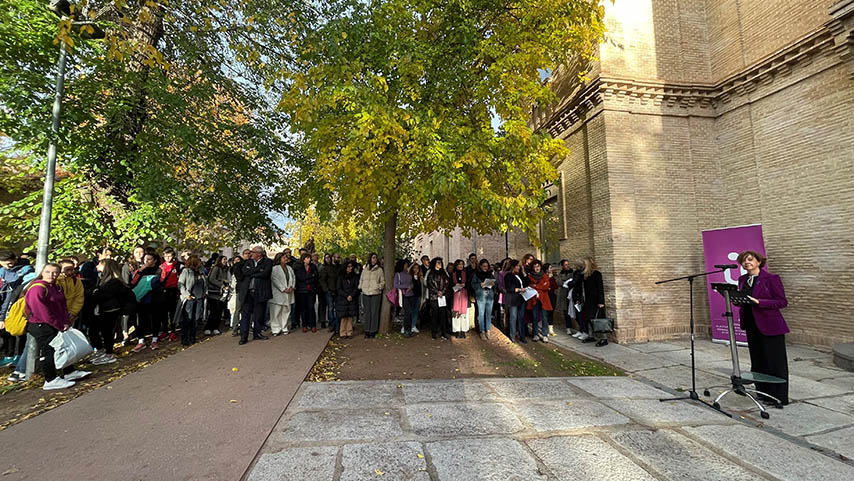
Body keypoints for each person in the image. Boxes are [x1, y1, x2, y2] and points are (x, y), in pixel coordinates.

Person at [737, 250, 790, 407]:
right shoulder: (743, 279)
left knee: (775, 362)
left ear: (759, 261)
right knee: (758, 361)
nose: (747, 263)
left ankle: (778, 396)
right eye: (744, 261)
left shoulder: (771, 279)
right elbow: (743, 300)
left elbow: (782, 302)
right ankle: (762, 392)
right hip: (751, 324)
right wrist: (736, 299)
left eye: (750, 260)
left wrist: (760, 302)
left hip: (771, 325)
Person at [26, 264, 90, 390]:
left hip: (56, 323)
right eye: (48, 272)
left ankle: (69, 372)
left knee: (63, 347)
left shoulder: (55, 286)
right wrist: (60, 325)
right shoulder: (37, 288)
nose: (51, 275)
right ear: (42, 272)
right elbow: (42, 312)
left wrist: (66, 321)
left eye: (55, 272)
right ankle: (50, 379)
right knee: (49, 350)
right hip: (41, 324)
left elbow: (62, 305)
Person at [90, 259, 134, 364]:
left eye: (99, 264)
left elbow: (101, 295)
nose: (97, 267)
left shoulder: (114, 281)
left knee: (107, 332)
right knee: (96, 330)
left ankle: (109, 353)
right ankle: (102, 351)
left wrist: (95, 293)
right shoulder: (102, 279)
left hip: (110, 309)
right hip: (102, 309)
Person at [1, 251, 32, 368]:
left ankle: (19, 356)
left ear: (15, 259)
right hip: (5, 304)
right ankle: (9, 355)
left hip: (19, 303)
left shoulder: (25, 270)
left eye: (9, 264)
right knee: (7, 332)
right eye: (4, 264)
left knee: (20, 330)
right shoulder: (2, 272)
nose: (7, 267)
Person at [238, 246, 273, 344]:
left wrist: (252, 273)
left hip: (260, 292)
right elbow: (244, 272)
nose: (250, 254)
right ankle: (243, 336)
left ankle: (257, 333)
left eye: (252, 252)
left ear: (259, 254)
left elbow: (266, 274)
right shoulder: (248, 262)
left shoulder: (267, 262)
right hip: (248, 292)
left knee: (259, 314)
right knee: (245, 315)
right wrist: (258, 270)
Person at [130, 253, 162, 352]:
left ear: (155, 260)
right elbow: (133, 283)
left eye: (149, 259)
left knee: (155, 319)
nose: (146, 261)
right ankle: (140, 341)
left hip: (154, 298)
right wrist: (140, 271)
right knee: (141, 320)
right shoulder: (141, 270)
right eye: (145, 259)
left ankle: (154, 339)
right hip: (141, 299)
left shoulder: (159, 270)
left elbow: (159, 283)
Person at [177, 255, 206, 346]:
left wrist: (205, 293)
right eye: (198, 261)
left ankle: (192, 337)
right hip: (190, 298)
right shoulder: (186, 271)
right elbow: (180, 284)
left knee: (196, 318)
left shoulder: (200, 272)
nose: (200, 263)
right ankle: (185, 338)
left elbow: (204, 283)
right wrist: (186, 295)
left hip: (199, 297)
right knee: (188, 319)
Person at [580, 256, 606, 346]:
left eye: (584, 264)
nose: (582, 265)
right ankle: (592, 336)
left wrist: (601, 301)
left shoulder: (597, 274)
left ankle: (604, 338)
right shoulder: (585, 275)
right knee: (589, 319)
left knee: (599, 319)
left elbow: (600, 288)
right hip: (588, 301)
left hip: (596, 301)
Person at [158, 247, 182, 342]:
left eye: (169, 256)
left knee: (172, 312)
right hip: (164, 291)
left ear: (173, 256)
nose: (167, 258)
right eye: (165, 256)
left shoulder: (178, 266)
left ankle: (172, 330)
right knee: (163, 313)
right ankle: (164, 330)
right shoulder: (161, 267)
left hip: (174, 291)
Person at [359, 252, 384, 338]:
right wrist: (361, 287)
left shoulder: (379, 270)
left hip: (375, 293)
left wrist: (378, 287)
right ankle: (367, 330)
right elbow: (361, 279)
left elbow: (382, 281)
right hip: (366, 293)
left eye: (376, 258)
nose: (375, 259)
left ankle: (373, 331)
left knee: (374, 313)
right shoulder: (365, 269)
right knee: (367, 313)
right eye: (373, 257)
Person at [525, 260, 551, 342]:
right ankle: (535, 334)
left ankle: (545, 334)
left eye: (538, 266)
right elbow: (530, 286)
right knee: (535, 317)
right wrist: (540, 286)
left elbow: (547, 286)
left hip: (544, 300)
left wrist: (536, 286)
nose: (537, 268)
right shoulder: (530, 277)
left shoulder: (544, 276)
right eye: (535, 267)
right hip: (534, 300)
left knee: (544, 317)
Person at [205, 255, 231, 335]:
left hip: (221, 294)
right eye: (224, 259)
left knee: (219, 312)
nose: (225, 261)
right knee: (214, 311)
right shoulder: (216, 268)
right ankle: (208, 327)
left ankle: (216, 327)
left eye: (226, 259)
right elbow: (212, 279)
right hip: (214, 293)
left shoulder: (226, 269)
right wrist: (222, 285)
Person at [270, 254, 295, 336]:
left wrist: (292, 287)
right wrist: (283, 288)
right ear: (279, 259)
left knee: (286, 311)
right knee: (276, 312)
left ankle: (284, 327)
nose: (286, 259)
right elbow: (274, 279)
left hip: (289, 292)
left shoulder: (289, 268)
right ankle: (275, 329)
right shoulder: (275, 268)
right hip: (279, 292)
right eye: (284, 258)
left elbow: (293, 278)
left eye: (286, 258)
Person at [294, 252, 319, 333]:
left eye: (309, 258)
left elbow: (315, 277)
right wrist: (310, 277)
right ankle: (304, 325)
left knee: (311, 307)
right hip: (302, 290)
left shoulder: (313, 266)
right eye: (307, 258)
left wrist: (308, 278)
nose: (309, 259)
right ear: (303, 259)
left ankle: (313, 325)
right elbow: (300, 278)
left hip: (311, 290)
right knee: (303, 308)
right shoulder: (299, 267)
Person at [426, 257, 450, 340]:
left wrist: (442, 292)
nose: (440, 264)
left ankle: (443, 333)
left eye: (441, 262)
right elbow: (430, 284)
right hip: (434, 297)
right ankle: (434, 332)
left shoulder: (444, 272)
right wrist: (437, 292)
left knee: (443, 315)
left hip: (442, 297)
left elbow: (447, 282)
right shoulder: (431, 273)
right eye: (438, 262)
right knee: (434, 315)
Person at [472, 259, 495, 340]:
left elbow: (494, 284)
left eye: (487, 266)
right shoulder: (476, 274)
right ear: (480, 266)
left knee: (488, 314)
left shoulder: (490, 274)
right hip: (481, 296)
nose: (485, 268)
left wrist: (492, 283)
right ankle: (482, 331)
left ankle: (488, 330)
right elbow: (473, 285)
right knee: (481, 314)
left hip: (489, 296)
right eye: (484, 266)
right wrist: (480, 284)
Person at [504, 260, 527, 343]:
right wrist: (518, 289)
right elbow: (508, 288)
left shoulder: (520, 275)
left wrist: (524, 274)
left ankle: (522, 335)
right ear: (512, 267)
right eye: (517, 266)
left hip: (521, 298)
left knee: (521, 317)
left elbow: (526, 283)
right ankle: (512, 335)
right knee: (513, 317)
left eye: (519, 266)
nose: (519, 267)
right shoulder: (508, 275)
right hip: (513, 299)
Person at [336, 261, 360, 338]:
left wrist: (351, 295)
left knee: (350, 316)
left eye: (351, 267)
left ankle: (349, 332)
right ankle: (342, 332)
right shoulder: (341, 277)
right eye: (348, 267)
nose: (350, 268)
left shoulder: (355, 277)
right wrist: (346, 295)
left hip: (352, 298)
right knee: (343, 316)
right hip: (343, 298)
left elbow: (357, 288)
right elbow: (339, 288)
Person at [393, 260, 415, 337]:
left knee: (411, 313)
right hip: (404, 295)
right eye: (405, 265)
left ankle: (409, 329)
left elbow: (412, 283)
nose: (407, 266)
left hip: (411, 295)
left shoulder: (408, 274)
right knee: (407, 312)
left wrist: (411, 287)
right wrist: (406, 287)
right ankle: (406, 329)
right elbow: (396, 285)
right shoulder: (398, 274)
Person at [319, 253, 339, 333]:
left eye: (329, 258)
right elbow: (322, 280)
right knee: (330, 308)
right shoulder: (324, 268)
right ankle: (331, 324)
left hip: (336, 290)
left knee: (336, 308)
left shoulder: (335, 268)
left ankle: (336, 325)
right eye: (326, 258)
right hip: (329, 290)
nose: (328, 259)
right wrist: (326, 289)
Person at [450, 260, 469, 338]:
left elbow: (469, 283)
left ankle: (463, 330)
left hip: (464, 296)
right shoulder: (452, 274)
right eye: (459, 264)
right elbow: (450, 284)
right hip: (455, 296)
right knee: (456, 313)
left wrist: (465, 285)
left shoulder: (466, 274)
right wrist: (455, 285)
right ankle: (457, 330)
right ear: (456, 265)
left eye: (462, 264)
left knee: (464, 313)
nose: (461, 266)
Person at [229, 255, 244, 336]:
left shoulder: (242, 267)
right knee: (237, 309)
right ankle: (235, 327)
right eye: (235, 260)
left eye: (239, 260)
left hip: (239, 290)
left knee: (241, 309)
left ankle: (241, 326)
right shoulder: (234, 269)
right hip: (236, 291)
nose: (237, 262)